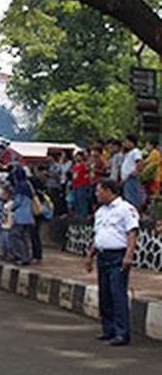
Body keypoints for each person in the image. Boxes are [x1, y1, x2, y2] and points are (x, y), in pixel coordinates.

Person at [85, 179, 139, 346]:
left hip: (118, 255)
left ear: (108, 191)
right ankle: (108, 330)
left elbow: (132, 233)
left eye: (98, 190)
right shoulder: (101, 211)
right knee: (105, 294)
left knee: (117, 294)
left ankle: (122, 333)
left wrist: (129, 256)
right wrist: (90, 255)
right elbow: (99, 235)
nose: (96, 194)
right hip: (102, 254)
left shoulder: (125, 209)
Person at [10, 167, 34, 265]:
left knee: (15, 236)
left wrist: (10, 207)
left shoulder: (19, 186)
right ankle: (26, 257)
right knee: (24, 238)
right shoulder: (28, 185)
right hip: (28, 216)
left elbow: (17, 202)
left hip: (20, 216)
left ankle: (19, 256)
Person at [121, 134, 143, 210]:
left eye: (126, 142)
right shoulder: (129, 153)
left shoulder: (136, 151)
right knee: (127, 197)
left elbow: (139, 162)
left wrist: (135, 171)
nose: (125, 144)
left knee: (131, 198)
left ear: (131, 142)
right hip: (127, 179)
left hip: (131, 178)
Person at [0, 185, 13, 259]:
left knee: (6, 239)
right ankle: (3, 253)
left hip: (8, 224)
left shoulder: (11, 203)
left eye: (5, 194)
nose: (3, 195)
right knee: (1, 239)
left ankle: (7, 253)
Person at [70, 151, 91, 218]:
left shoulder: (84, 164)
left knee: (81, 199)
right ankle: (78, 214)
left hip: (82, 184)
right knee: (76, 200)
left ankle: (83, 214)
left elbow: (88, 170)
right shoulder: (74, 166)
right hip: (75, 184)